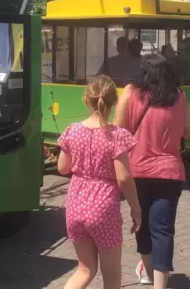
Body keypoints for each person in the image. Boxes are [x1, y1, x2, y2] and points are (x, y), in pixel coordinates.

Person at [114, 55, 190, 289]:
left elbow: (118, 131)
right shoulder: (179, 96)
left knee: (141, 223)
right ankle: (160, 284)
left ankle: (147, 270)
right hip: (169, 172)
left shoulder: (130, 92)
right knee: (163, 229)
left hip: (137, 172)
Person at [57, 76, 142, 289]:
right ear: (114, 102)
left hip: (75, 206)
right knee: (111, 276)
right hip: (103, 209)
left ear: (87, 100)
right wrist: (136, 208)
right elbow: (123, 177)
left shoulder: (72, 130)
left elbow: (62, 168)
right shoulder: (117, 135)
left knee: (85, 269)